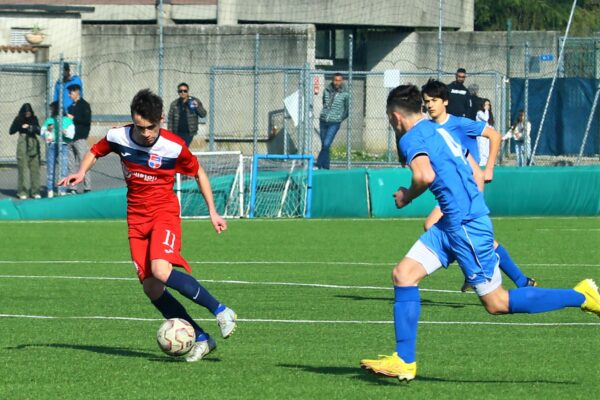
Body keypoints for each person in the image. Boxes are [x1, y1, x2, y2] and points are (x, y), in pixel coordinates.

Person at [359, 84, 600, 382]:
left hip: (464, 226)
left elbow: (424, 175)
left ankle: (582, 296)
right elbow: (475, 172)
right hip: (453, 221)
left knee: (496, 303)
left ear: (395, 117)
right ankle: (404, 360)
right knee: (403, 275)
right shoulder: (442, 131)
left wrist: (408, 195)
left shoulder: (412, 138)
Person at [59, 89, 237, 362]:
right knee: (152, 288)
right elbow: (95, 150)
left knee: (160, 270)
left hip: (164, 214)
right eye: (140, 127)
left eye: (151, 127)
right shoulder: (119, 136)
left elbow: (199, 172)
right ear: (133, 120)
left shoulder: (173, 146)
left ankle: (221, 310)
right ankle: (201, 338)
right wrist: (82, 171)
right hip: (136, 220)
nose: (145, 133)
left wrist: (213, 212)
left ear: (161, 120)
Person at [421, 79, 536, 291]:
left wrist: (489, 168)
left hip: (468, 186)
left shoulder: (459, 124)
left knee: (435, 225)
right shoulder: (426, 128)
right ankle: (520, 280)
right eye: (426, 101)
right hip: (452, 190)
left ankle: (476, 269)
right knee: (474, 236)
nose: (430, 105)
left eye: (434, 100)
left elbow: (495, 135)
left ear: (445, 102)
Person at [41, 101, 75, 197]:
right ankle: (50, 190)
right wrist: (48, 130)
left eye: (52, 108)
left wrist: (65, 132)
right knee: (51, 168)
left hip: (63, 145)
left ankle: (62, 190)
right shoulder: (50, 120)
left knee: (63, 168)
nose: (50, 110)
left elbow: (71, 134)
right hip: (52, 145)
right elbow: (42, 132)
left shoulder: (67, 120)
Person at [316, 73, 349, 169]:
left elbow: (347, 109)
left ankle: (319, 164)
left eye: (339, 80)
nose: (336, 82)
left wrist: (339, 118)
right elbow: (324, 102)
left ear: (342, 81)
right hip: (323, 120)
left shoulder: (345, 94)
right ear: (332, 80)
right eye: (335, 80)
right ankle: (326, 166)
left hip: (334, 122)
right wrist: (324, 114)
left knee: (326, 143)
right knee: (325, 145)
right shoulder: (326, 91)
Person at [9, 103, 41, 199]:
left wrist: (31, 127)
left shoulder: (34, 118)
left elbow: (39, 131)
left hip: (33, 141)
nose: (28, 113)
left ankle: (35, 191)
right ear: (23, 112)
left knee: (35, 167)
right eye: (26, 112)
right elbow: (11, 131)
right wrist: (20, 125)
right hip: (23, 141)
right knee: (23, 167)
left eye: (29, 112)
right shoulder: (19, 118)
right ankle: (23, 192)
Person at [66, 84, 92, 194]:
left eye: (71, 93)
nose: (69, 95)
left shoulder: (84, 105)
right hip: (70, 139)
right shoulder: (71, 107)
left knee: (83, 163)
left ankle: (87, 187)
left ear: (77, 92)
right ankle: (73, 187)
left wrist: (74, 118)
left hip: (80, 138)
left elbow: (86, 121)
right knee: (71, 164)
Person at [167, 82, 207, 147]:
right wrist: (170, 132)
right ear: (178, 92)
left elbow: (203, 114)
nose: (183, 93)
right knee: (177, 149)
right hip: (176, 132)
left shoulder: (194, 101)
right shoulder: (174, 104)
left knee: (184, 148)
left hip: (189, 132)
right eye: (180, 91)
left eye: (185, 91)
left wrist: (197, 106)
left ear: (188, 91)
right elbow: (170, 119)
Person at [476, 99, 494, 168]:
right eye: (486, 104)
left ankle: (486, 168)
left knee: (487, 153)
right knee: (482, 153)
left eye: (488, 105)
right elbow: (485, 118)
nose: (487, 106)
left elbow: (490, 125)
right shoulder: (479, 113)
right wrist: (486, 110)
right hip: (481, 135)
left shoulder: (489, 114)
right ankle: (481, 168)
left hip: (487, 136)